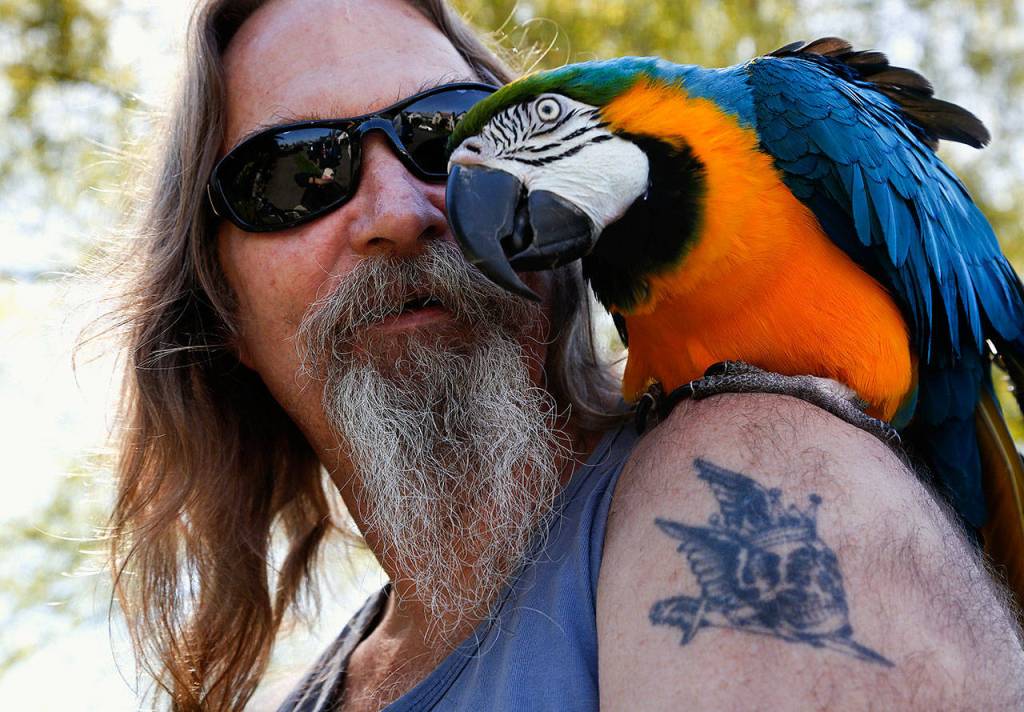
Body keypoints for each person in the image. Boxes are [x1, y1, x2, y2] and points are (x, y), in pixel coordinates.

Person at [100, 0, 1024, 709]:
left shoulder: (748, 460)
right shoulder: (316, 690)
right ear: (219, 312)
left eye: (437, 135)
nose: (401, 215)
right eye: (294, 177)